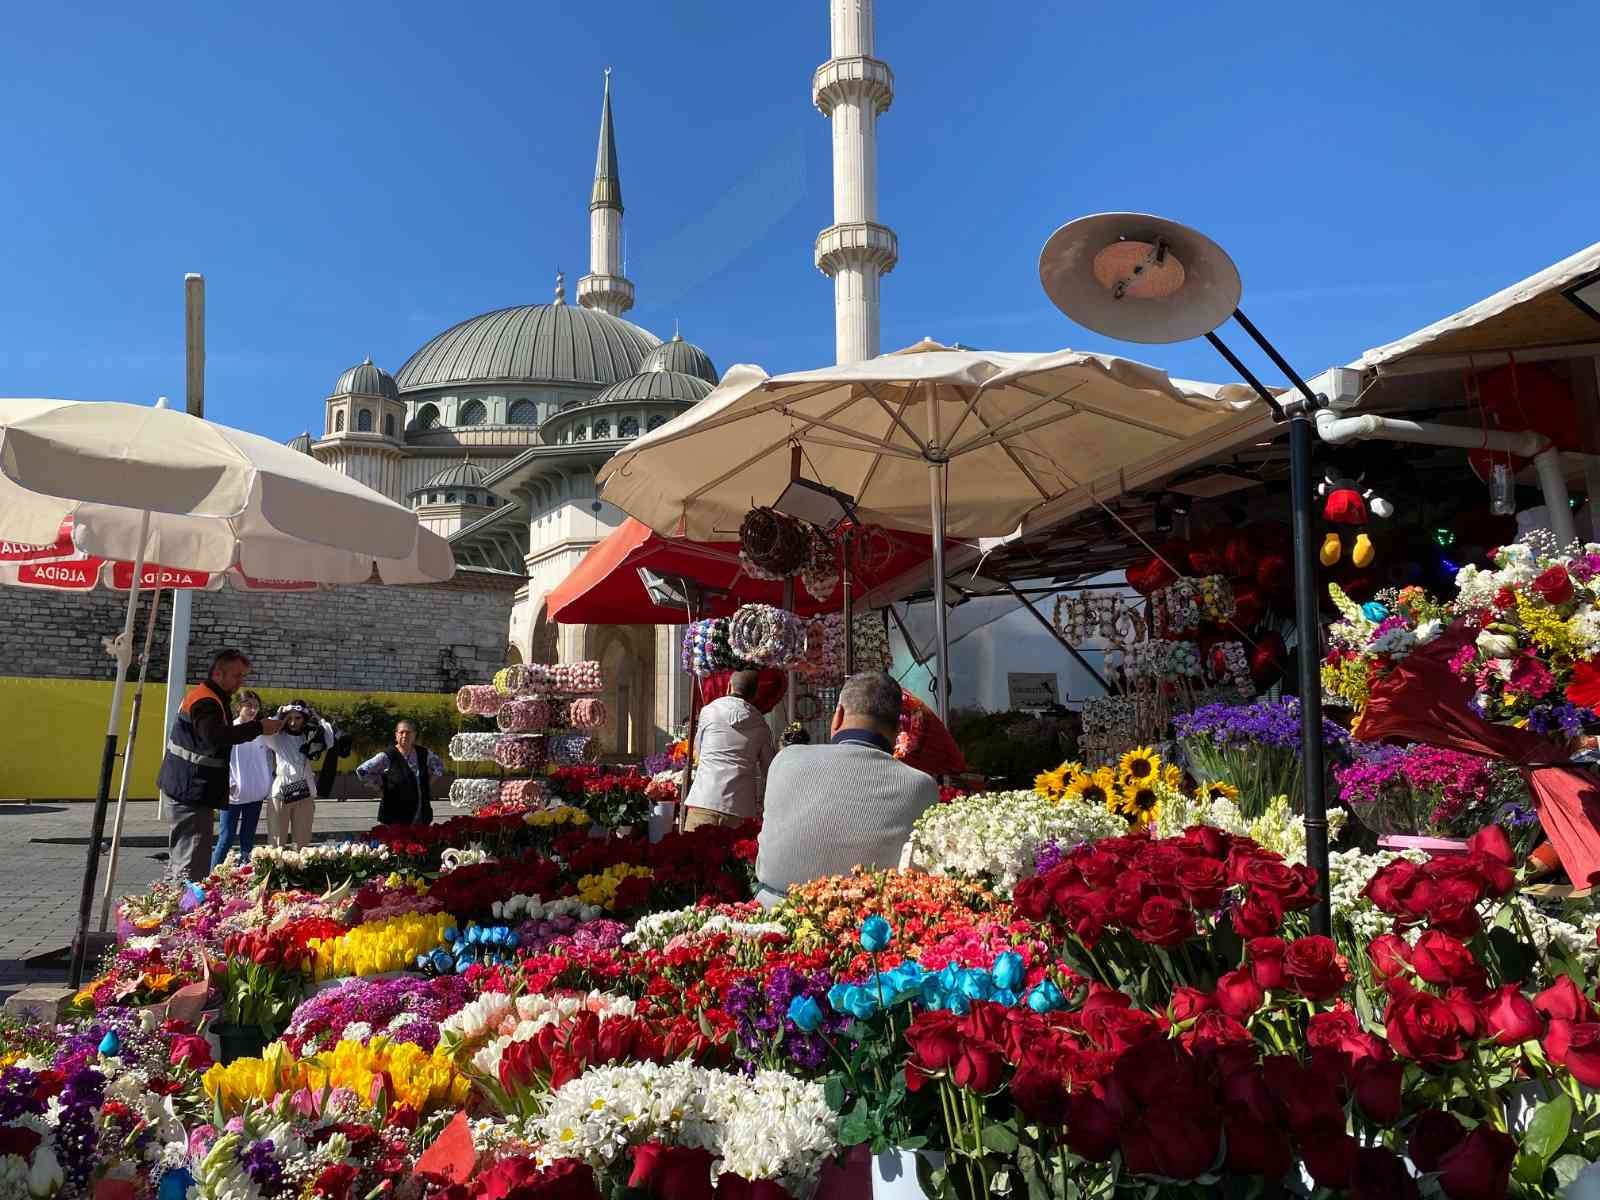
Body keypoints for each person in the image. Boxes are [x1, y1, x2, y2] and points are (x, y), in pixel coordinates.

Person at [753, 672, 939, 908]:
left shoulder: (785, 760)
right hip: (861, 932)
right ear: (897, 731)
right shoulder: (921, 786)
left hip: (768, 919)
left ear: (838, 716)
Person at [158, 648, 282, 882]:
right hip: (190, 789)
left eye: (242, 676)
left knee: (187, 854)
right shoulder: (206, 700)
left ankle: (178, 901)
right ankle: (184, 909)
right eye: (237, 676)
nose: (240, 682)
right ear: (218, 674)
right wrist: (259, 728)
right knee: (191, 860)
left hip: (189, 787)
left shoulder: (210, 696)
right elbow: (215, 736)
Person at [682, 670, 776, 830]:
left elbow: (698, 750)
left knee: (694, 853)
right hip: (739, 807)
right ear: (754, 695)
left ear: (729, 687)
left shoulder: (709, 712)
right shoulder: (761, 725)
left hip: (705, 799)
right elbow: (770, 769)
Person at [260, 699, 335, 848]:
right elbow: (265, 733)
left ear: (305, 718)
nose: (293, 722)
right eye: (290, 718)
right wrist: (278, 716)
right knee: (276, 843)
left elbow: (330, 740)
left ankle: (299, 871)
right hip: (281, 793)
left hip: (304, 793)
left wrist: (318, 717)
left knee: (302, 843)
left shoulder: (310, 737)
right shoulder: (277, 738)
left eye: (298, 718)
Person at [211, 689, 272, 869]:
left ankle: (244, 873)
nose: (253, 710)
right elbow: (221, 758)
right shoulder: (231, 730)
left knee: (247, 838)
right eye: (248, 706)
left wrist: (267, 782)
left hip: (256, 794)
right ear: (239, 707)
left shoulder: (262, 733)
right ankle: (211, 875)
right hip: (233, 795)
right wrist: (229, 783)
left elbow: (268, 759)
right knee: (226, 837)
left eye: (256, 707)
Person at [356, 719, 443, 825]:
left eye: (408, 732)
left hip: (420, 812)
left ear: (414, 735)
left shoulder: (423, 753)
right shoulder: (387, 755)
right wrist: (378, 787)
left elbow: (439, 766)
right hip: (394, 813)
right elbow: (362, 770)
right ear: (396, 735)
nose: (405, 735)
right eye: (401, 732)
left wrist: (427, 785)